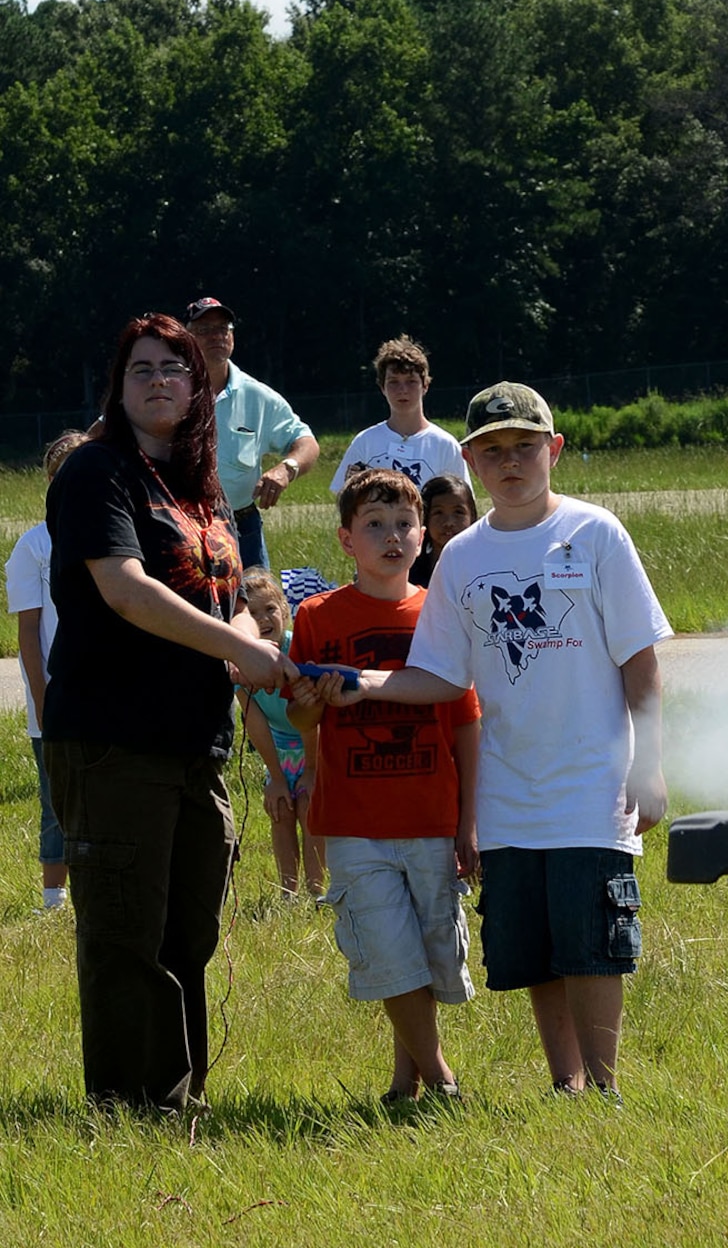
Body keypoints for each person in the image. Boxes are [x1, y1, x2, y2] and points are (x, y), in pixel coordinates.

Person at [317, 382, 671, 1101]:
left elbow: (640, 660)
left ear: (555, 450)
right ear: (471, 461)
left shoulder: (596, 533)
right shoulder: (461, 559)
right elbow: (441, 676)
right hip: (508, 794)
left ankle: (603, 1089)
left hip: (589, 784)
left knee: (592, 942)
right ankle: (564, 1082)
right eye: (493, 451)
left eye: (524, 447)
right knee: (536, 947)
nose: (511, 463)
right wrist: (368, 683)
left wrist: (651, 765)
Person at [43, 312, 294, 1113]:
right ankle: (128, 1105)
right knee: (127, 934)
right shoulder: (96, 474)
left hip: (197, 742)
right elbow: (124, 589)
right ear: (118, 390)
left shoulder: (201, 488)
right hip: (115, 740)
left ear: (199, 388)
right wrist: (240, 647)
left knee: (189, 931)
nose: (159, 380)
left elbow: (240, 595)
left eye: (175, 368)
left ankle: (180, 1095)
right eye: (141, 369)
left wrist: (260, 638)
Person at [289, 469, 479, 1105]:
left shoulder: (441, 613)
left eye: (404, 525)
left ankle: (407, 1081)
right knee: (387, 949)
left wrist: (468, 822)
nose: (391, 536)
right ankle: (443, 1078)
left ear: (424, 536)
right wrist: (314, 702)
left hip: (430, 814)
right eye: (374, 525)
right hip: (354, 820)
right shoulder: (316, 615)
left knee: (425, 952)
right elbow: (299, 715)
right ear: (347, 540)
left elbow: (465, 723)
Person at [4, 429, 88, 910]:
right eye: (62, 478)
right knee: (57, 799)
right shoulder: (33, 547)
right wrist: (42, 700)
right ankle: (54, 896)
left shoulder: (115, 535)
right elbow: (29, 635)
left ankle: (100, 883)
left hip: (106, 696)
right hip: (55, 698)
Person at [185, 297, 320, 569]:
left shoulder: (257, 397)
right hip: (181, 528)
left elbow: (306, 443)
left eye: (224, 328)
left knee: (257, 608)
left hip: (242, 528)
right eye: (204, 329)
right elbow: (103, 431)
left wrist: (286, 469)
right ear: (185, 337)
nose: (217, 336)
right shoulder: (164, 389)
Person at [237, 570, 326, 901]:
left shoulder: (297, 649)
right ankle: (287, 894)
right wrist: (275, 777)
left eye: (269, 609)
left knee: (308, 805)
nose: (262, 619)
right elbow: (256, 723)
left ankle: (317, 892)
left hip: (312, 743)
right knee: (280, 810)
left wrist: (313, 771)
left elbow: (310, 717)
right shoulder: (242, 661)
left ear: (285, 611)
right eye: (251, 613)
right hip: (279, 747)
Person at [330, 336, 469, 496]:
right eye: (393, 382)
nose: (402, 390)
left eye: (411, 381)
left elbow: (462, 504)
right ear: (382, 387)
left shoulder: (445, 445)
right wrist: (350, 490)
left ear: (425, 386)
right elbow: (344, 503)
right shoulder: (365, 442)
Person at [410, 474, 478, 586]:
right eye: (438, 513)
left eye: (458, 512)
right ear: (425, 518)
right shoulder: (409, 570)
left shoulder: (483, 568)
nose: (449, 522)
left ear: (472, 517)